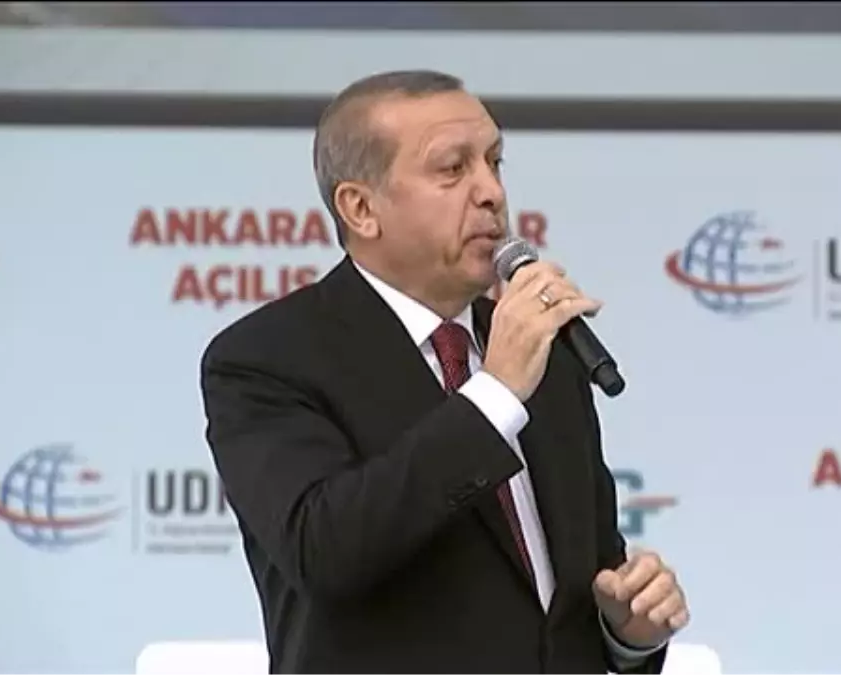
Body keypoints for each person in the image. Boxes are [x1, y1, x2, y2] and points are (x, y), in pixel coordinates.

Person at [199, 69, 689, 675]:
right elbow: (324, 551)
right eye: (453, 169)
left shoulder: (546, 355)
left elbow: (576, 595)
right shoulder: (266, 358)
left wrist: (629, 632)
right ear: (361, 208)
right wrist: (496, 394)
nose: (491, 193)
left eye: (494, 162)